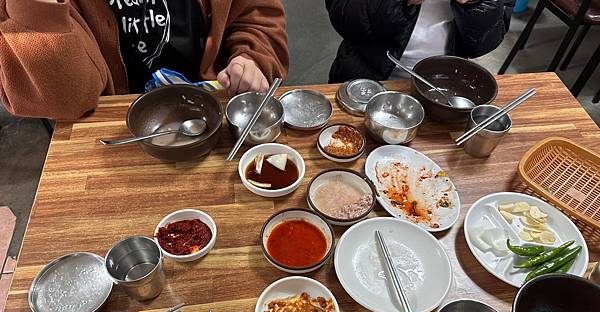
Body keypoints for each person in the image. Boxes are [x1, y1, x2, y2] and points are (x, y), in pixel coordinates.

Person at [0, 0, 289, 120]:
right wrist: (38, 7)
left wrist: (250, 57)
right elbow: (64, 99)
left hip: (215, 115)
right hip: (112, 131)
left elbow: (257, 15)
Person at [326, 0, 515, 83]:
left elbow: (484, 43)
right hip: (364, 78)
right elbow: (346, 19)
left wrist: (475, 4)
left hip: (441, 90)